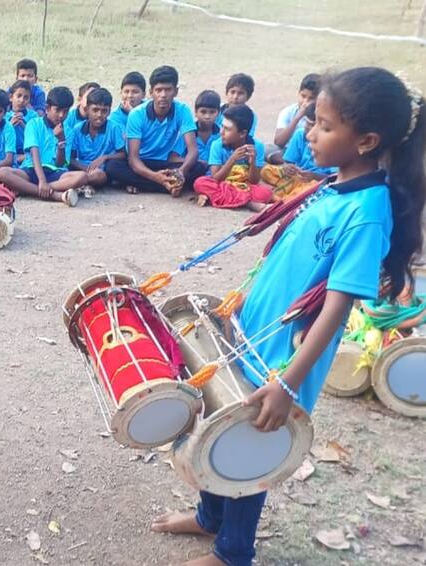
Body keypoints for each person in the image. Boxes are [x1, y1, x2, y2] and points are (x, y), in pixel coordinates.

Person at [153, 66, 424, 566]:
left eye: (322, 125)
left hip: (284, 355)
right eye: (312, 120)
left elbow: (338, 307)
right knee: (219, 415)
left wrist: (288, 384)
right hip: (254, 329)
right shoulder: (332, 184)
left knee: (249, 440)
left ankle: (233, 552)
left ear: (365, 140)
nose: (308, 131)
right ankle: (211, 517)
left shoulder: (367, 210)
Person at [105, 65, 198, 196]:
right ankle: (168, 185)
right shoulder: (137, 114)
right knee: (112, 167)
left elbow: (193, 150)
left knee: (199, 166)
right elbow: (133, 158)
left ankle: (149, 184)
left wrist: (181, 172)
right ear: (151, 92)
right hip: (141, 163)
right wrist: (156, 177)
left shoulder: (183, 110)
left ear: (176, 91)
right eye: (158, 90)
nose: (163, 95)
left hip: (165, 162)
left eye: (168, 90)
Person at [0, 86, 85, 207]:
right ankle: (55, 195)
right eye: (57, 110)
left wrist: (61, 141)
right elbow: (34, 153)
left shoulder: (68, 131)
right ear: (47, 108)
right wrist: (42, 180)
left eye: (65, 112)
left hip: (54, 173)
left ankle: (30, 189)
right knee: (3, 172)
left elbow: (60, 164)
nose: (61, 115)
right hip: (31, 169)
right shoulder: (34, 123)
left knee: (82, 177)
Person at [194, 104, 273, 210]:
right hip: (222, 183)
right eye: (222, 126)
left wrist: (252, 162)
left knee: (265, 193)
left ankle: (221, 198)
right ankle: (249, 203)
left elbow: (253, 181)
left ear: (242, 133)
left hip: (243, 186)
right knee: (200, 183)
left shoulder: (256, 147)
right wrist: (232, 159)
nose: (221, 132)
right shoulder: (217, 144)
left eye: (227, 129)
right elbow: (216, 178)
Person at [261, 102, 337, 200]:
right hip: (297, 176)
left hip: (315, 182)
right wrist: (288, 167)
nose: (307, 127)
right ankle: (288, 193)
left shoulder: (331, 144)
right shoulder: (300, 134)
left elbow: (335, 178)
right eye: (306, 123)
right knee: (267, 170)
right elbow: (287, 162)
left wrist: (314, 176)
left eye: (311, 125)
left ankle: (284, 199)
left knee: (309, 189)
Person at [69, 87, 125, 189]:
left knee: (99, 175)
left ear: (109, 112)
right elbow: (71, 158)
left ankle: (76, 184)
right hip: (82, 168)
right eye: (95, 110)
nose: (99, 115)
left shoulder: (113, 128)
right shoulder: (77, 129)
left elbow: (123, 154)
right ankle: (80, 184)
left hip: (100, 171)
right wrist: (85, 169)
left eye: (104, 111)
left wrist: (105, 157)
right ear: (87, 110)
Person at [172, 90, 220, 180]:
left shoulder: (222, 134)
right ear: (196, 112)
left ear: (218, 113)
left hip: (215, 174)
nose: (207, 116)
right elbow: (173, 158)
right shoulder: (188, 133)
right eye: (203, 112)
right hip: (193, 172)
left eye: (212, 112)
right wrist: (196, 161)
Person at [272, 73, 321, 151]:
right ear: (298, 93)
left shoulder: (321, 115)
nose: (305, 102)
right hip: (287, 150)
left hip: (311, 150)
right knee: (268, 149)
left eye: (311, 98)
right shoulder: (288, 112)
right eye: (303, 96)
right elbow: (278, 142)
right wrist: (297, 117)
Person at [6, 79, 39, 163]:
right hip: (8, 149)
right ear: (11, 97)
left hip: (25, 150)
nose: (21, 100)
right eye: (19, 96)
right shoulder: (4, 115)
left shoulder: (33, 116)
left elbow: (37, 137)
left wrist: (25, 126)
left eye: (26, 97)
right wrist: (10, 126)